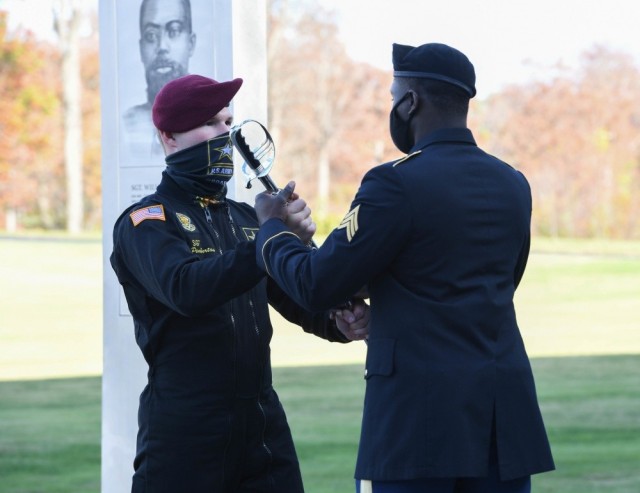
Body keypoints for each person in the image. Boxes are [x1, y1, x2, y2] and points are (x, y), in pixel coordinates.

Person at [253, 42, 555, 493]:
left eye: (395, 96)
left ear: (410, 103)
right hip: (501, 422)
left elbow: (316, 283)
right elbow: (488, 286)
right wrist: (388, 310)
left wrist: (272, 229)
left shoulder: (394, 182)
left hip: (416, 426)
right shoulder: (513, 183)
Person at [110, 74, 369, 492]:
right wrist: (268, 235)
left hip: (262, 421)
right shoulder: (146, 222)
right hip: (185, 427)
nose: (224, 134)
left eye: (228, 122)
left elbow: (300, 300)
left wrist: (338, 321)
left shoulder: (246, 217)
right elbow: (186, 289)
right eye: (210, 123)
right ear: (169, 138)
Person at [122, 0, 197, 160]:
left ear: (191, 43)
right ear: (141, 48)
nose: (162, 46)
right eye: (151, 35)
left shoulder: (212, 123)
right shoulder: (124, 127)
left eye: (174, 31)